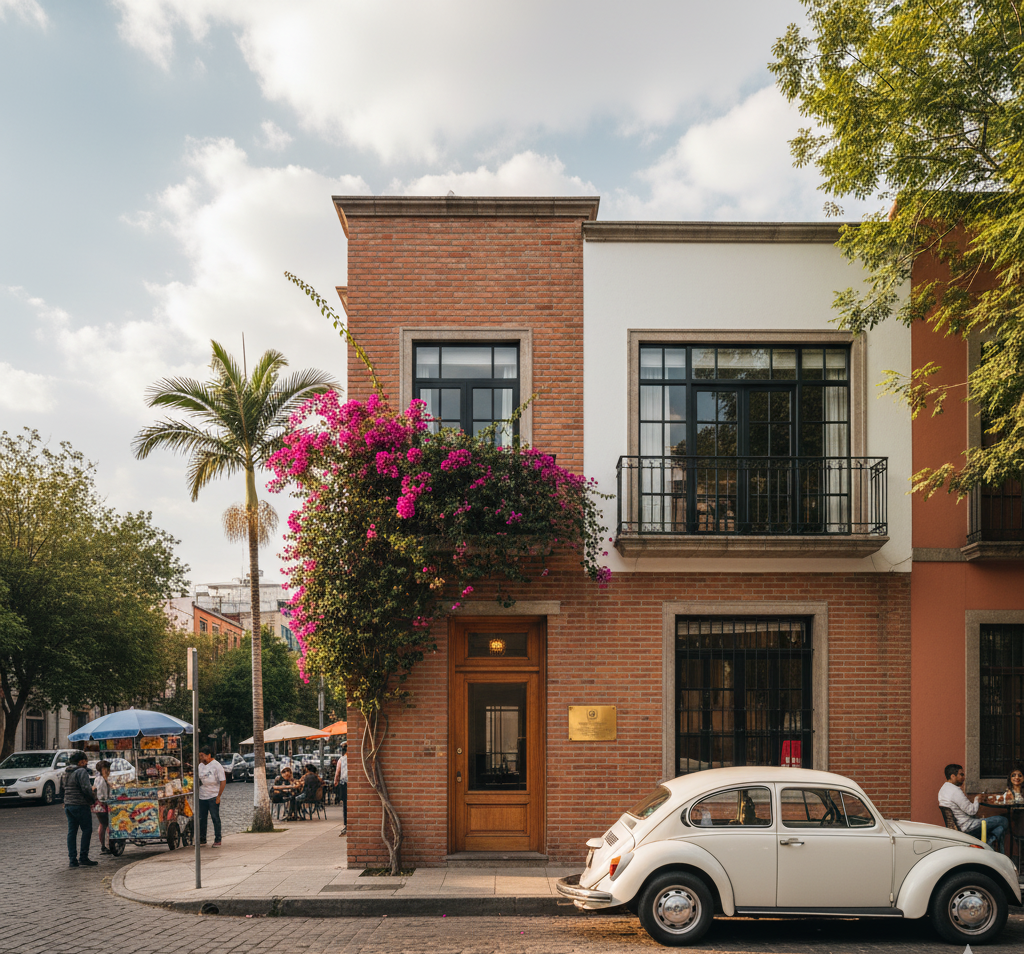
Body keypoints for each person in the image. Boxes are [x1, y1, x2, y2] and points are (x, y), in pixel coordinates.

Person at [938, 763, 1008, 851]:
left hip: (960, 826)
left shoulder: (943, 789)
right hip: (968, 827)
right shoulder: (955, 791)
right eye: (961, 774)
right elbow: (972, 811)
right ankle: (988, 845)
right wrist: (977, 799)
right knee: (1004, 820)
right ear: (953, 776)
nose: (964, 777)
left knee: (999, 828)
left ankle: (988, 845)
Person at [63, 751, 98, 868]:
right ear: (80, 761)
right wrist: (92, 799)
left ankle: (72, 859)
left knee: (72, 832)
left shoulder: (66, 772)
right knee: (87, 830)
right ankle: (83, 857)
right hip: (80, 804)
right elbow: (86, 788)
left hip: (68, 804)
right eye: (85, 761)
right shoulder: (81, 771)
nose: (87, 763)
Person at [197, 746, 227, 846]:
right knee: (202, 818)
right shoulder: (200, 766)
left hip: (213, 795)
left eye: (203, 756)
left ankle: (218, 839)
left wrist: (219, 795)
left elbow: (223, 781)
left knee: (215, 817)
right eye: (200, 756)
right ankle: (202, 838)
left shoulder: (216, 766)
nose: (201, 758)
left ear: (209, 755)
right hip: (202, 796)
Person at [93, 760, 113, 854]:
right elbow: (102, 794)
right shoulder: (100, 780)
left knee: (104, 824)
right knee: (104, 824)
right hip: (102, 804)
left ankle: (106, 845)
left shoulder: (104, 779)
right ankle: (104, 846)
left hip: (102, 804)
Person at [334, 743, 348, 834]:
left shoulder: (341, 760)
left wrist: (335, 781)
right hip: (353, 783)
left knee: (346, 804)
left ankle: (347, 823)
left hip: (344, 784)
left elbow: (337, 772)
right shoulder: (356, 759)